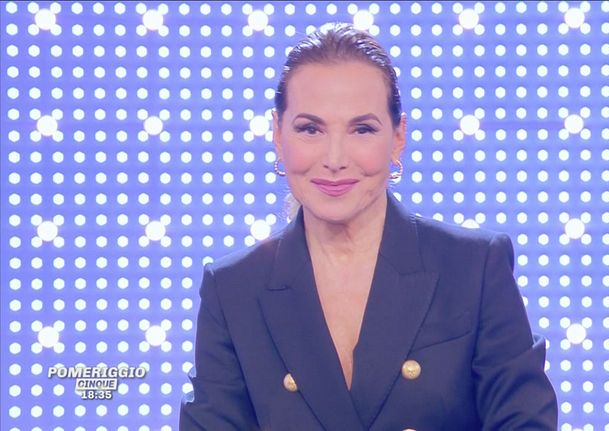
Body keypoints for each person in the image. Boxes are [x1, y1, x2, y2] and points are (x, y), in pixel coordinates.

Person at [179, 23, 558, 430]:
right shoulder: (233, 288)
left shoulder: (473, 268)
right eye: (310, 129)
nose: (335, 159)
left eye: (362, 129)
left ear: (398, 137)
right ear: (277, 134)